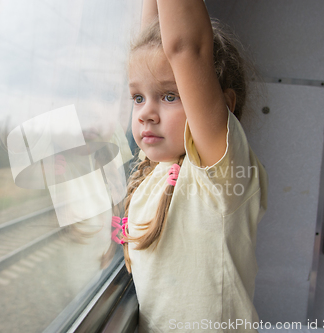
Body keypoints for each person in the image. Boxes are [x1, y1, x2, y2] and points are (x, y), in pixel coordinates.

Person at [112, 0, 269, 332]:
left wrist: (181, 56)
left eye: (170, 96)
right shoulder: (154, 166)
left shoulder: (218, 173)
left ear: (223, 107)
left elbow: (185, 48)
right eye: (138, 98)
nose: (145, 114)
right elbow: (154, 37)